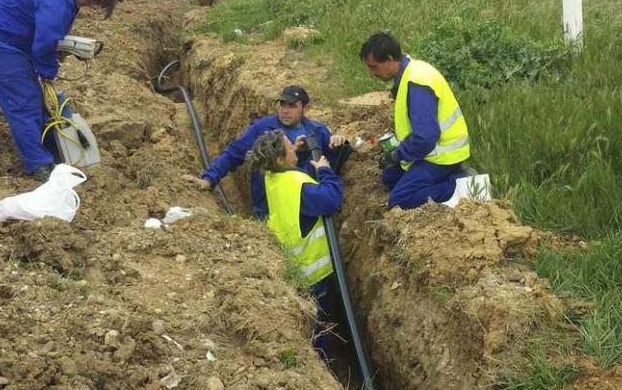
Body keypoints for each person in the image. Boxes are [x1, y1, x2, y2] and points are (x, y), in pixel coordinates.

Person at [0, 0, 116, 181]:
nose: (90, 5)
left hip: (13, 44)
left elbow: (47, 35)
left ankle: (52, 149)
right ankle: (39, 165)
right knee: (24, 105)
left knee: (39, 101)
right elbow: (44, 42)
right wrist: (48, 70)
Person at [185, 85, 347, 219]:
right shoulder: (262, 129)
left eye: (292, 106)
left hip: (306, 206)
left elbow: (331, 162)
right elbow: (233, 154)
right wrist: (209, 179)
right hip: (268, 209)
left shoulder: (318, 131)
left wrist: (338, 143)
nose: (285, 110)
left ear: (306, 108)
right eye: (282, 104)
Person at [251, 129, 342, 359]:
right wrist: (325, 171)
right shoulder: (297, 183)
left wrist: (296, 153)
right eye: (290, 146)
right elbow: (330, 199)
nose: (294, 146)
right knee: (321, 327)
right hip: (315, 274)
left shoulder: (271, 176)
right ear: (280, 159)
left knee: (312, 323)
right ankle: (323, 365)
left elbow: (291, 176)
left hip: (294, 269)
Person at [359, 31, 470, 209]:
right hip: (430, 151)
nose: (371, 73)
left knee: (401, 199)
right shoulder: (410, 71)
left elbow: (425, 137)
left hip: (442, 156)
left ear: (389, 59)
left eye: (374, 67)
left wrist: (397, 154)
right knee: (390, 177)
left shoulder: (417, 83)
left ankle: (460, 184)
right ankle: (442, 179)